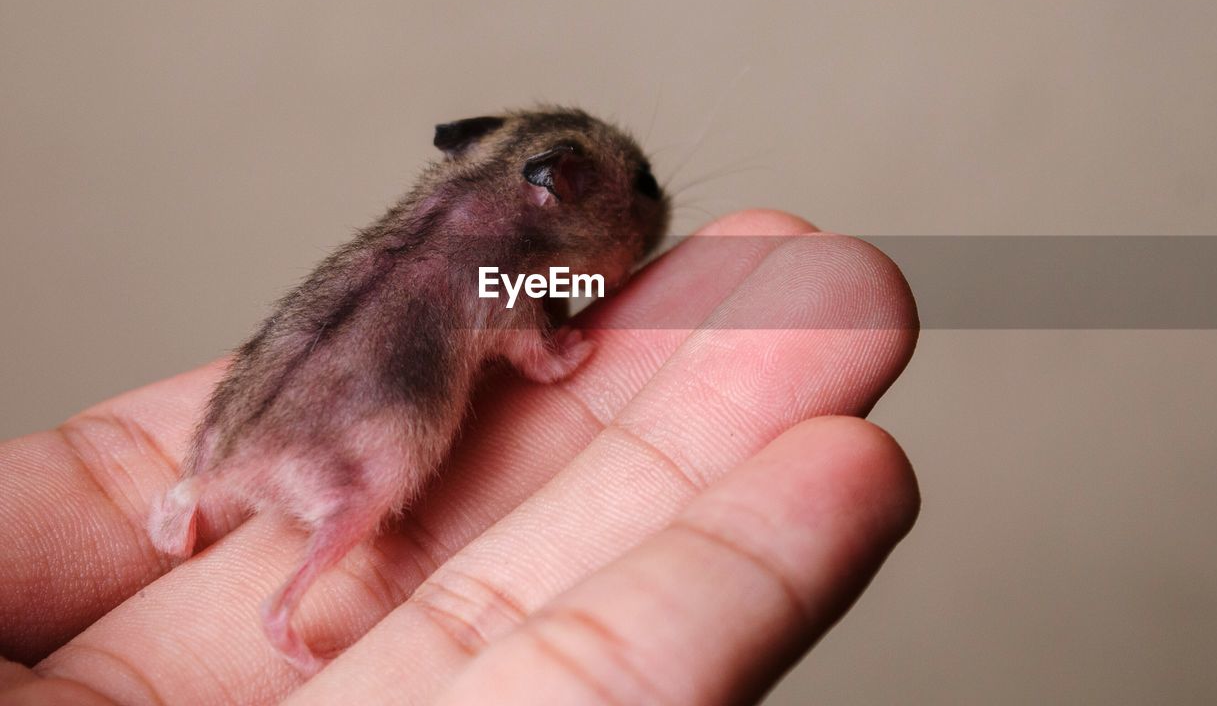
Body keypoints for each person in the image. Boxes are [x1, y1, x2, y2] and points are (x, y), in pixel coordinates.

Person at [0, 210, 919, 705]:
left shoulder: (442, 236)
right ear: (555, 189)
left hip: (247, 429)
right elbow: (527, 327)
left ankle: (193, 489)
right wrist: (554, 348)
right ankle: (288, 609)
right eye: (631, 204)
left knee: (277, 379)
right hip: (342, 439)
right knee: (381, 476)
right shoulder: (502, 266)